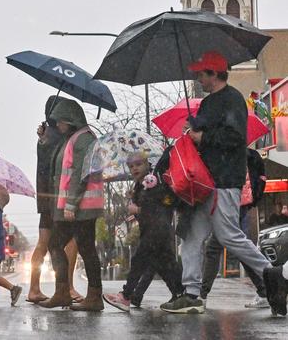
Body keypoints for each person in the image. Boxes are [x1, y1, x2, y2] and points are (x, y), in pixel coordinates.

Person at [161, 51, 273, 314]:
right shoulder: (211, 102)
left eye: (202, 73)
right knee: (190, 235)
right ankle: (191, 293)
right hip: (204, 183)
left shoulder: (232, 99)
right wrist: (194, 127)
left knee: (229, 236)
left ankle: (272, 274)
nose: (199, 77)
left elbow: (235, 138)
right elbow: (208, 130)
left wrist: (203, 137)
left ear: (214, 73)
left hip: (223, 180)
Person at [39, 98, 105, 311]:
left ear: (70, 119)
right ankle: (65, 293)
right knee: (68, 246)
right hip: (77, 206)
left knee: (78, 247)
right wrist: (44, 139)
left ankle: (89, 296)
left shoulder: (82, 140)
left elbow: (78, 174)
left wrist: (71, 205)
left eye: (60, 121)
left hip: (81, 207)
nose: (57, 125)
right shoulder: (73, 138)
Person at [102, 152, 184, 312]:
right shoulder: (141, 185)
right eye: (131, 166)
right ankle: (179, 293)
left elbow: (161, 206)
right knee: (164, 264)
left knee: (139, 261)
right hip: (155, 230)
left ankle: (126, 296)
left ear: (147, 163)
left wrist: (138, 209)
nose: (134, 168)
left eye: (138, 164)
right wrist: (136, 197)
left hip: (156, 230)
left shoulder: (154, 181)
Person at [28, 96, 82, 304]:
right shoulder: (57, 137)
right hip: (57, 198)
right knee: (71, 242)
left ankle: (34, 289)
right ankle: (68, 287)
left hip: (45, 199)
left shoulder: (45, 136)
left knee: (43, 243)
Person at [200, 148, 269, 309]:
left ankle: (201, 295)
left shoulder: (231, 151)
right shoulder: (248, 153)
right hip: (237, 203)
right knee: (238, 247)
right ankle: (265, 289)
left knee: (218, 248)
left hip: (233, 203)